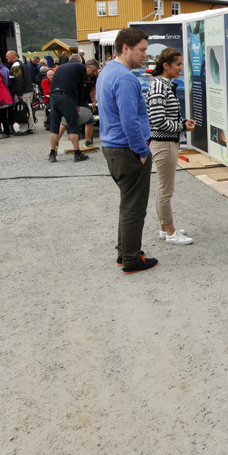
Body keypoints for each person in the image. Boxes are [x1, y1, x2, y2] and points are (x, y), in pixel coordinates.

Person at [98, 27, 156, 273]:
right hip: (128, 150)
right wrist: (141, 150)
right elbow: (129, 120)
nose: (145, 55)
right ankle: (131, 260)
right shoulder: (124, 78)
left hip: (114, 147)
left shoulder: (108, 71)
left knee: (127, 203)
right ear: (126, 48)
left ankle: (126, 252)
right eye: (141, 50)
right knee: (134, 206)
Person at [146, 48, 196, 245]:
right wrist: (181, 126)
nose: (181, 68)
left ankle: (163, 228)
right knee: (166, 191)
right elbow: (158, 121)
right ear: (165, 65)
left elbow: (164, 116)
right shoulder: (159, 87)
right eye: (178, 64)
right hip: (164, 143)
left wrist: (182, 122)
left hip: (166, 141)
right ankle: (171, 232)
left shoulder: (163, 85)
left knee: (163, 189)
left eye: (181, 64)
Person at [47, 51, 89, 163]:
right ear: (80, 61)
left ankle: (52, 153)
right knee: (72, 125)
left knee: (54, 127)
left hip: (53, 95)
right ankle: (77, 153)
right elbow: (81, 87)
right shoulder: (80, 67)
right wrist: (78, 104)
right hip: (67, 96)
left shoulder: (60, 67)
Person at [7, 50, 35, 134]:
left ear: (12, 56)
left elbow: (18, 79)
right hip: (27, 90)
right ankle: (31, 127)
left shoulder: (16, 65)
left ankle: (23, 128)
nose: (6, 58)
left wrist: (19, 93)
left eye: (7, 56)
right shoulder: (22, 64)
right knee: (28, 109)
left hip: (23, 92)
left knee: (22, 109)